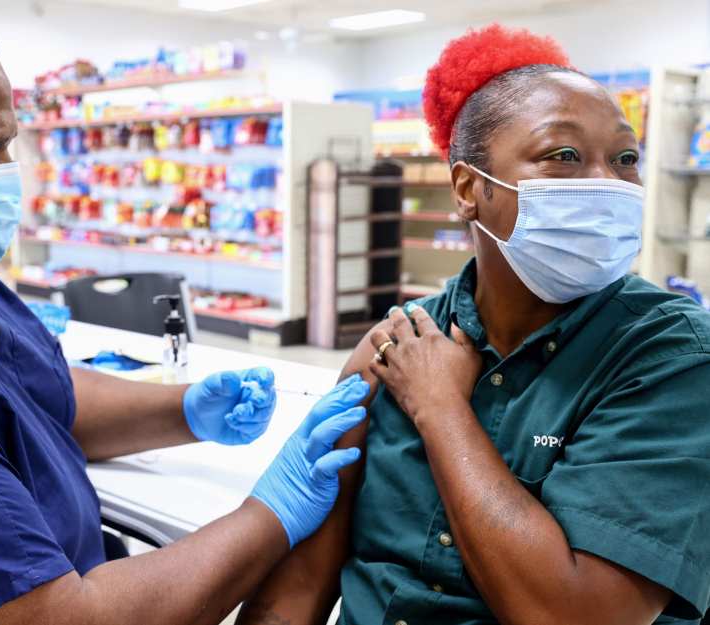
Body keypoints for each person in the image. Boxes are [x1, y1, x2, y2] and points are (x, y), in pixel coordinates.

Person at [0, 4, 370, 624]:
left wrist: (182, 409)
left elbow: (31, 394)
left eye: (9, 145)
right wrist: (271, 513)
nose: (7, 178)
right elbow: (53, 618)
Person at [237, 24, 710, 625]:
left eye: (625, 158)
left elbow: (582, 616)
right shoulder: (393, 346)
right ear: (468, 188)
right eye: (563, 156)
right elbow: (299, 587)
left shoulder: (670, 356)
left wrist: (441, 408)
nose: (607, 184)